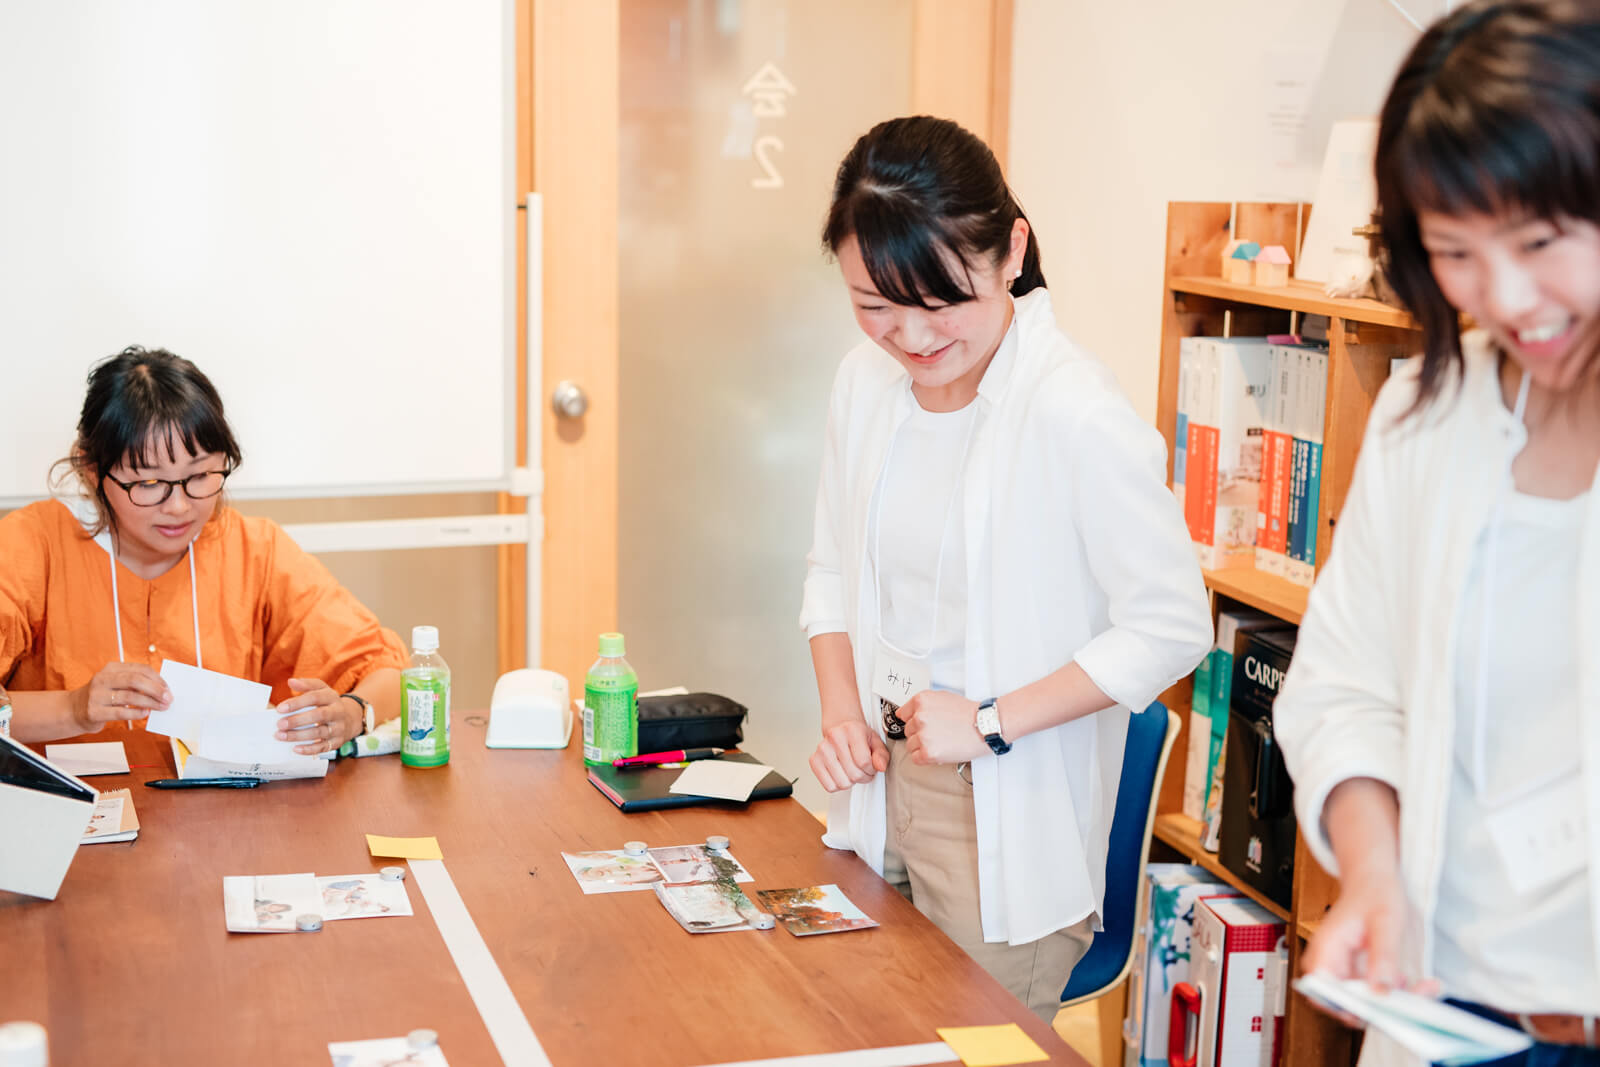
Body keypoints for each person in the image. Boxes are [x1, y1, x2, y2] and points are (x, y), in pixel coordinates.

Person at [798, 116, 1212, 1020]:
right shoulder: (862, 384)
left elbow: (1174, 624)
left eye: (940, 300)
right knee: (858, 1027)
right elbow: (829, 569)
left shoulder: (1073, 411)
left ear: (1011, 249)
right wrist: (839, 711)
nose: (910, 334)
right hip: (877, 779)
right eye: (874, 304)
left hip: (1001, 811)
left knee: (966, 1042)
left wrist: (988, 722)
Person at [1273, 2, 1600, 1063]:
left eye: (1539, 242)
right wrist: (1374, 876)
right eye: (1455, 252)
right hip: (1447, 1009)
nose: (1507, 299)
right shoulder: (1426, 414)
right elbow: (1344, 686)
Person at [0, 346, 406, 752]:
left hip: (225, 792)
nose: (179, 506)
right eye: (149, 484)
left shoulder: (255, 551)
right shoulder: (31, 545)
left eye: (200, 476)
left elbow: (386, 670)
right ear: (91, 469)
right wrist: (74, 709)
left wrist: (353, 712)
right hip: (64, 792)